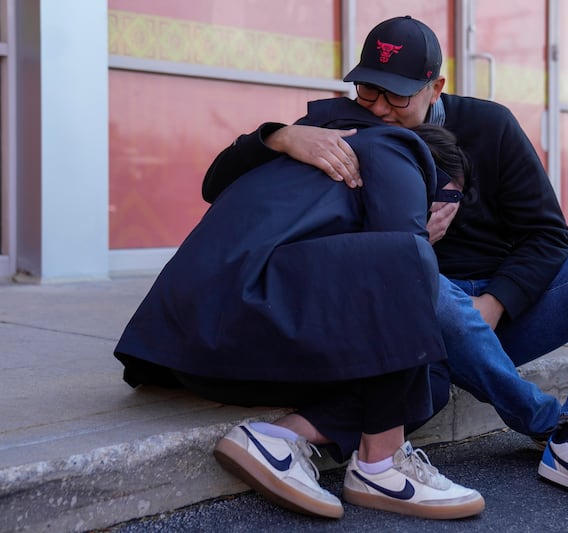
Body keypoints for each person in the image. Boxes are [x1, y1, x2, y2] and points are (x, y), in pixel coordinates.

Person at [201, 16, 568, 509]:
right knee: (415, 285)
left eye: (397, 96)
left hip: (495, 313)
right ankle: (556, 429)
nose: (380, 109)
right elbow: (216, 186)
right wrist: (278, 136)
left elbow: (548, 237)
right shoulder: (342, 125)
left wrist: (494, 303)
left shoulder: (491, 124)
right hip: (414, 318)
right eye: (368, 91)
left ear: (435, 86)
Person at [113, 107, 485, 520]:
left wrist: (275, 136)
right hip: (230, 324)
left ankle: (278, 439)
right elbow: (402, 256)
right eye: (449, 198)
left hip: (192, 348)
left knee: (426, 375)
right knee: (411, 260)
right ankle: (381, 464)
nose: (447, 212)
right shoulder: (399, 146)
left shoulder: (324, 158)